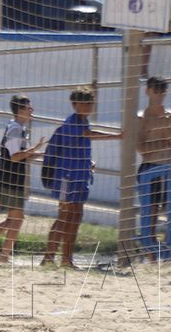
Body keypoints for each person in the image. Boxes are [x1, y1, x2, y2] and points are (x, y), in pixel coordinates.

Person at [41, 86, 119, 268]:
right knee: (64, 216)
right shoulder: (73, 122)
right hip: (66, 177)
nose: (89, 106)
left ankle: (66, 259)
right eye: (84, 103)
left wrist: (87, 161)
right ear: (75, 104)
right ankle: (48, 258)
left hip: (80, 177)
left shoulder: (84, 121)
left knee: (75, 217)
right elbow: (88, 136)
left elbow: (77, 145)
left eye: (90, 102)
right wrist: (118, 136)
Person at [0, 95, 45, 264]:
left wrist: (41, 154)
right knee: (16, 219)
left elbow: (22, 156)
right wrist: (35, 149)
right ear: (20, 110)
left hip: (14, 180)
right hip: (10, 181)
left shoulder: (18, 128)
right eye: (28, 107)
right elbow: (14, 156)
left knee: (15, 219)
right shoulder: (15, 129)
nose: (32, 110)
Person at [136, 76, 171, 244]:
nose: (160, 95)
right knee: (151, 208)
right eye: (156, 91)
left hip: (168, 167)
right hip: (150, 167)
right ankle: (149, 244)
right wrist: (162, 143)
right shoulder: (141, 117)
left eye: (163, 91)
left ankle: (169, 244)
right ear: (147, 91)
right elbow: (141, 148)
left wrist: (162, 120)